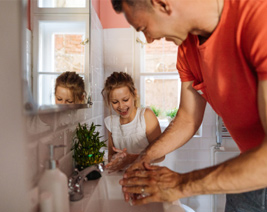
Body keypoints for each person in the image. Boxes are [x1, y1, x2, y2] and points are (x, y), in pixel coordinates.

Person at [111, 0, 267, 211]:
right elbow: (188, 118)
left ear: (161, 4)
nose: (148, 40)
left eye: (144, 29)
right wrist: (144, 158)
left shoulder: (258, 17)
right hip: (249, 168)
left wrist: (181, 184)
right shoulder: (187, 49)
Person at [101, 71, 163, 172]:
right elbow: (111, 156)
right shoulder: (111, 123)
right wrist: (116, 158)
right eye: (115, 102)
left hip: (147, 178)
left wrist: (131, 158)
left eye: (125, 100)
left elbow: (161, 155)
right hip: (123, 178)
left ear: (134, 94)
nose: (121, 106)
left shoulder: (145, 116)